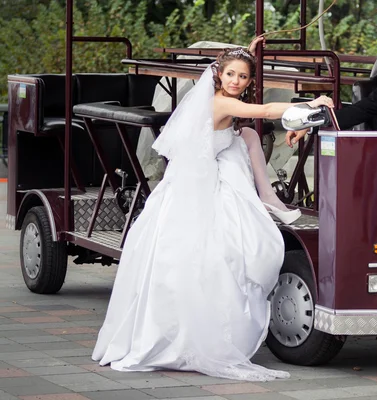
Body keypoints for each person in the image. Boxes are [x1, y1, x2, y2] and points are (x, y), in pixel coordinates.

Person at [91, 39, 334, 381]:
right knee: (207, 256)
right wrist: (314, 102)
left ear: (249, 81)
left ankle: (267, 197)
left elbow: (247, 113)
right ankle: (186, 333)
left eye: (243, 77)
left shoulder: (221, 99)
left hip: (207, 174)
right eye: (230, 74)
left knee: (246, 139)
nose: (235, 81)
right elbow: (264, 112)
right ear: (218, 76)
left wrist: (247, 49)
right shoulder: (220, 102)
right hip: (197, 186)